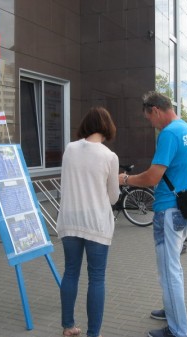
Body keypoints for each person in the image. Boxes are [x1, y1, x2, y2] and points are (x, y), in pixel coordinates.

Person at [118, 91, 187, 337]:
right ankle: (171, 309)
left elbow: (152, 176)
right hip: (185, 208)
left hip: (168, 210)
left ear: (155, 110)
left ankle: (178, 330)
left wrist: (125, 179)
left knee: (169, 270)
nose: (151, 125)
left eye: (149, 119)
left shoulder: (169, 134)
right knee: (173, 266)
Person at [56, 106, 120, 337]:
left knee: (70, 272)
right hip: (96, 222)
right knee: (97, 278)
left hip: (70, 219)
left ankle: (68, 326)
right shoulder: (109, 156)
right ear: (107, 127)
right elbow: (113, 197)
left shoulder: (70, 149)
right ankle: (94, 333)